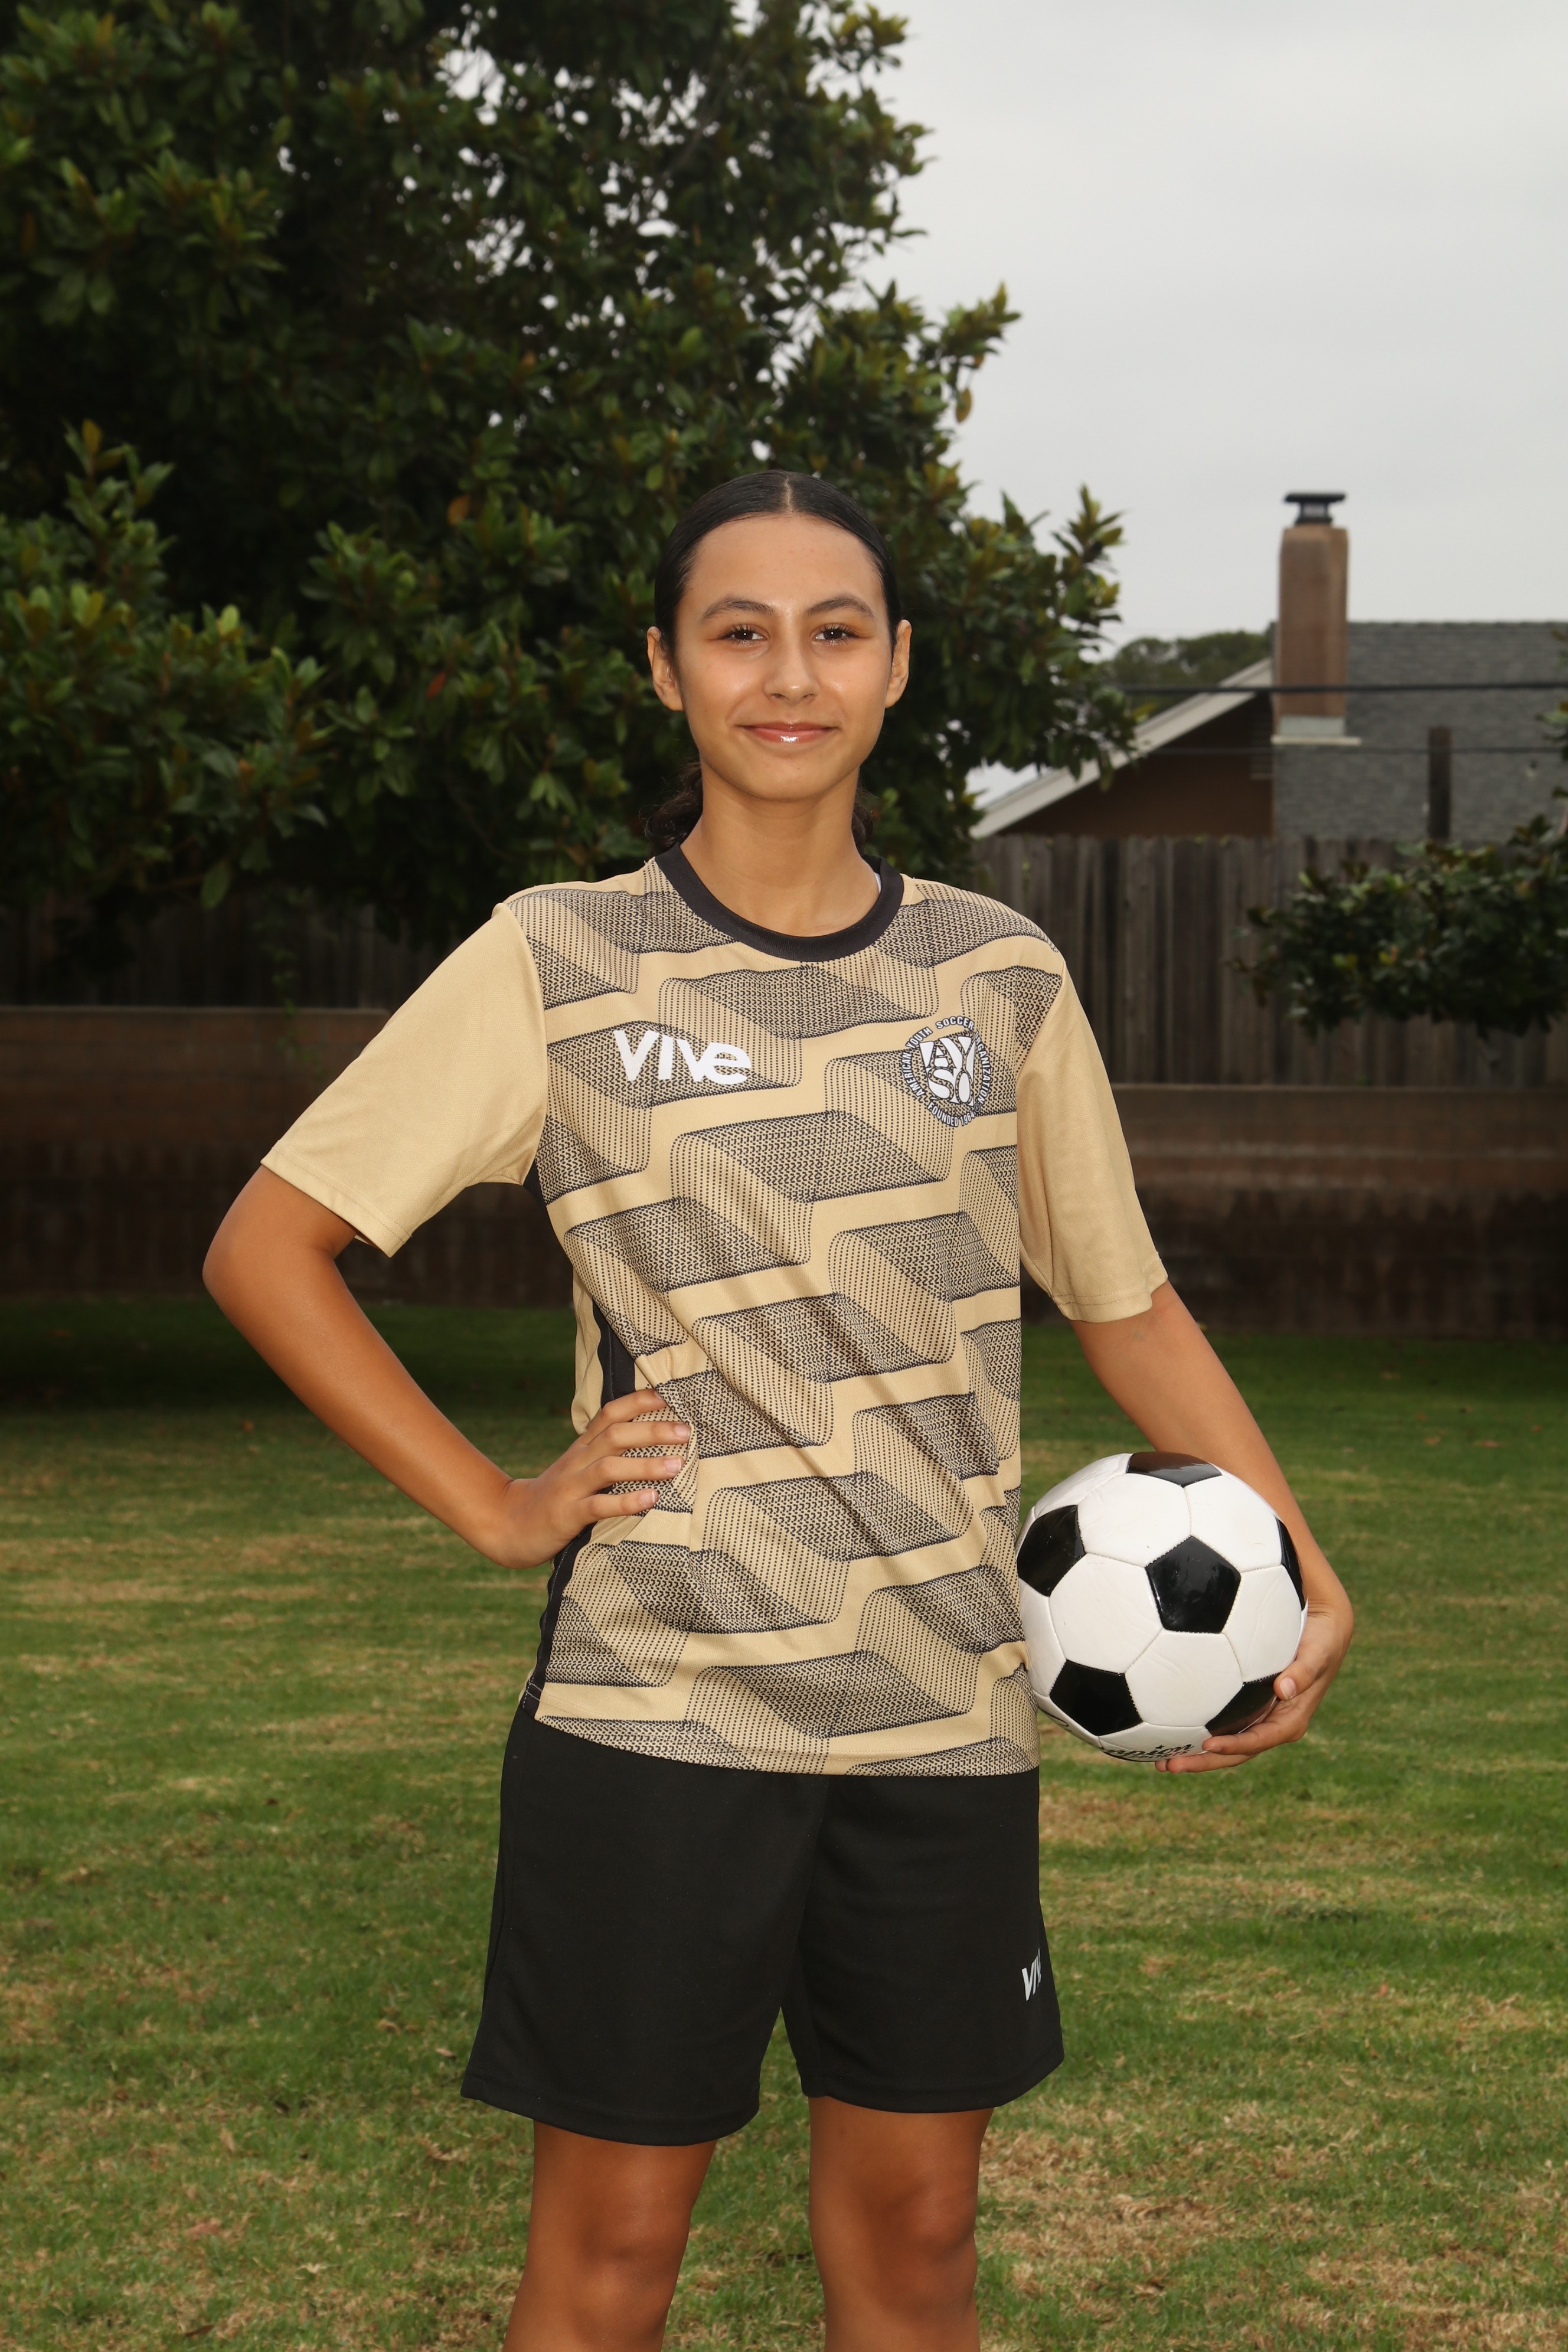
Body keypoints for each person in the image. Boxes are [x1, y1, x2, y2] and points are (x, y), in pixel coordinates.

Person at [205, 469, 1353, 2352]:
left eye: (835, 633)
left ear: (896, 665)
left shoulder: (997, 975)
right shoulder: (558, 956)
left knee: (917, 2246)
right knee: (611, 2264)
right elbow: (271, 1245)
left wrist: (1296, 1550)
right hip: (662, 1704)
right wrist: (497, 1504)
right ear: (667, 670)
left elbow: (1124, 1303)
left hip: (945, 1712)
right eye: (739, 634)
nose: (789, 676)